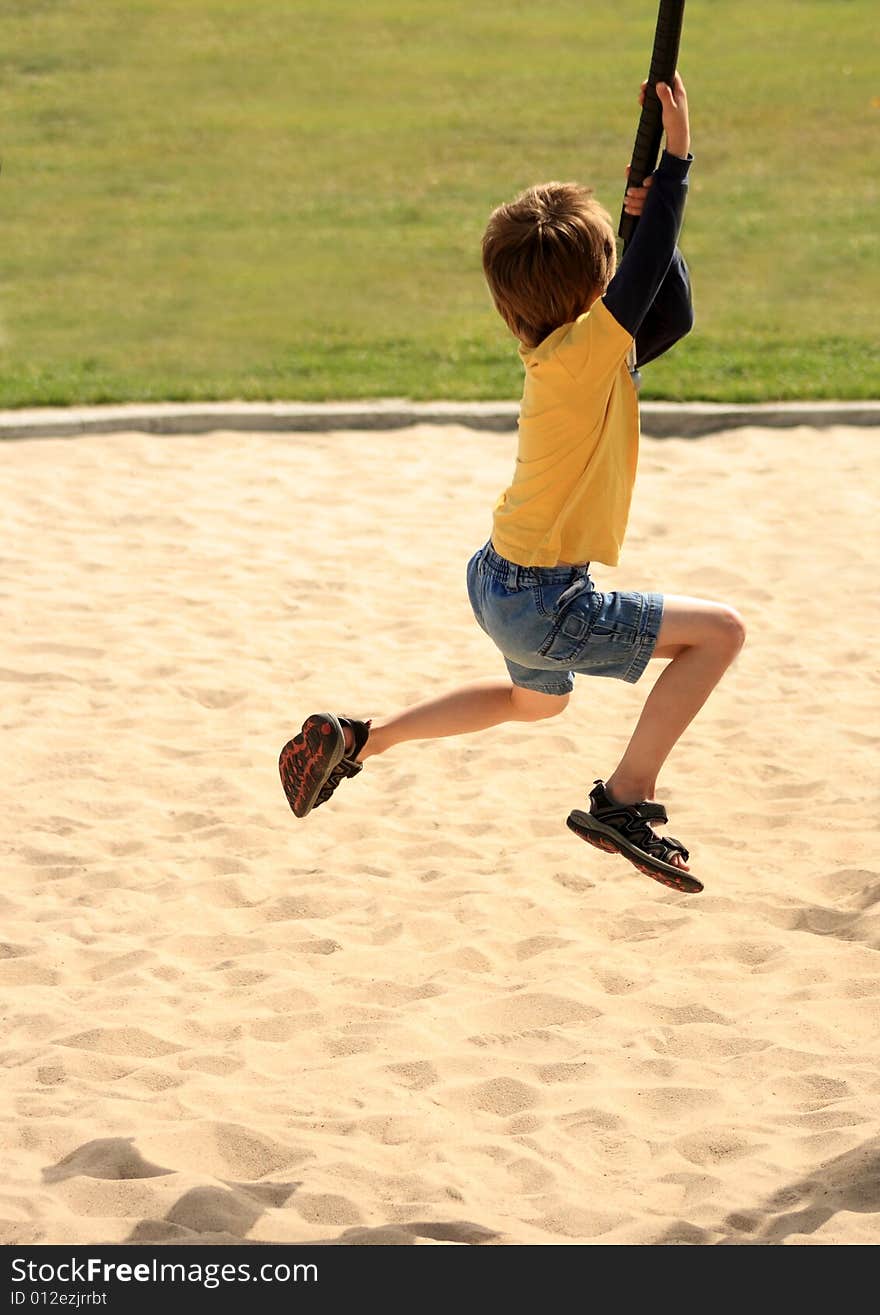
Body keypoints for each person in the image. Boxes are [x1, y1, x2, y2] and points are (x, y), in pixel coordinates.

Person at [279, 74, 745, 895]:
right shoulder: (590, 354)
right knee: (722, 634)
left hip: (499, 578)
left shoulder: (569, 353)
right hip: (545, 598)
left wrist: (641, 230)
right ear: (597, 289)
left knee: (538, 703)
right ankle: (624, 799)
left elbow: (670, 315)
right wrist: (672, 167)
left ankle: (361, 739)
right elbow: (640, 290)